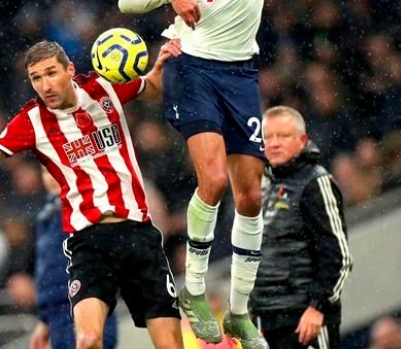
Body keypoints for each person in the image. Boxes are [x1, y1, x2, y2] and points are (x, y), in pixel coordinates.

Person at [0, 39, 185, 349]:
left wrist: (159, 66)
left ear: (69, 70)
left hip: (138, 233)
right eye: (36, 78)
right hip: (88, 241)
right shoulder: (32, 121)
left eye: (51, 73)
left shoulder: (103, 87)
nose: (45, 84)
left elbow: (152, 88)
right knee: (89, 340)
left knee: (170, 344)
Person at [117, 1, 268, 349]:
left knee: (250, 196)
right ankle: (195, 289)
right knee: (214, 180)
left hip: (240, 72)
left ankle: (239, 312)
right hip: (191, 67)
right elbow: (127, 3)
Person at [249, 106, 353, 349]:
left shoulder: (316, 183)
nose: (274, 143)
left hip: (303, 318)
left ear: (302, 140)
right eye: (268, 137)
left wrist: (318, 308)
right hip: (265, 319)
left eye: (283, 136)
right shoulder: (260, 184)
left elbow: (338, 255)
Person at [29, 167, 118, 349]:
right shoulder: (46, 215)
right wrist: (45, 319)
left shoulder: (88, 209)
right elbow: (47, 272)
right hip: (58, 314)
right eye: (46, 172)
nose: (52, 178)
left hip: (87, 306)